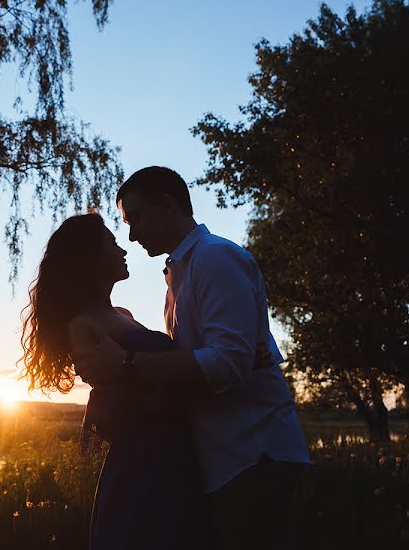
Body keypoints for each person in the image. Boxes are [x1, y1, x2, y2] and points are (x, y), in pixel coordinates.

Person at [71, 166, 311, 550]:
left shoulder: (215, 259)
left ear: (167, 205)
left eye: (135, 219)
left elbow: (229, 362)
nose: (131, 236)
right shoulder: (177, 278)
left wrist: (126, 364)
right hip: (220, 459)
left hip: (252, 453)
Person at [19, 211, 205, 550]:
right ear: (90, 260)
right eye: (113, 244)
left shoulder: (123, 316)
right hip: (143, 459)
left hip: (175, 451)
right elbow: (125, 399)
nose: (123, 250)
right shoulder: (83, 325)